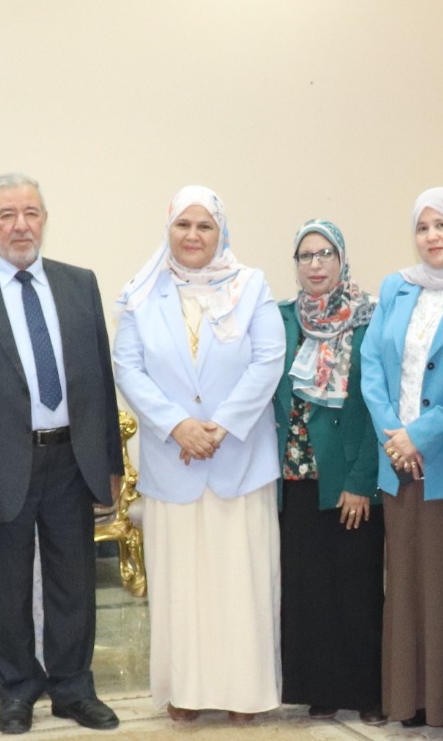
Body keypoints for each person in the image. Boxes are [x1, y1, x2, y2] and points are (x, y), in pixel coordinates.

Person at [0, 173, 121, 735]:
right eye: (7, 215)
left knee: (74, 584)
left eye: (31, 213)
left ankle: (73, 688)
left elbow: (100, 381)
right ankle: (16, 688)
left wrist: (111, 463)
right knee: (6, 589)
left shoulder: (79, 284)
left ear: (44, 220)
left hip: (71, 460)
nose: (20, 226)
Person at [112, 185, 285, 722]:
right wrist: (178, 426)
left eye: (204, 225)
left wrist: (220, 427)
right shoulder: (142, 293)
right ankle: (184, 690)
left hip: (240, 458)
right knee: (182, 585)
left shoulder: (251, 285)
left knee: (240, 582)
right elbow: (128, 367)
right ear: (168, 229)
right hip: (173, 459)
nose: (193, 235)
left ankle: (246, 693)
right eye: (183, 225)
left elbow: (269, 360)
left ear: (221, 232)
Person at [359, 189, 443, 739]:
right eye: (423, 226)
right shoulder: (397, 286)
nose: (432, 236)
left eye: (442, 225)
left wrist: (419, 435)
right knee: (405, 584)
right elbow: (371, 363)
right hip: (398, 463)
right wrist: (394, 435)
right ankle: (408, 698)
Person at [271, 220, 384, 722]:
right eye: (305, 256)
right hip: (296, 476)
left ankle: (368, 691)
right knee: (308, 588)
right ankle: (320, 687)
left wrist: (361, 481)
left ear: (342, 260)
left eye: (325, 254)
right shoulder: (282, 319)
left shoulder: (367, 318)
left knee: (357, 588)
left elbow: (376, 404)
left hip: (348, 475)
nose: (314, 265)